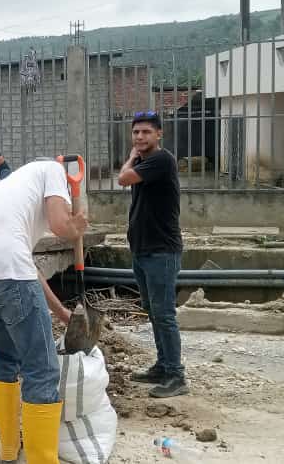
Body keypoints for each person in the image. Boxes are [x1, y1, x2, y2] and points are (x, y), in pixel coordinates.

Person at [0, 161, 89, 463]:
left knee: (6, 359)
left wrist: (62, 313)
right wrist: (77, 225)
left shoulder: (14, 188)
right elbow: (61, 226)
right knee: (42, 370)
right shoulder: (54, 171)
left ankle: (8, 448)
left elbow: (27, 269)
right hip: (9, 271)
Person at [117, 111, 186, 398]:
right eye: (136, 132)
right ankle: (162, 366)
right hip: (143, 250)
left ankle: (176, 375)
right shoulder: (145, 163)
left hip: (161, 252)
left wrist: (131, 157)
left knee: (164, 314)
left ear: (159, 134)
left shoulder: (161, 160)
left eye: (146, 132)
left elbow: (122, 179)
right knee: (153, 311)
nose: (140, 137)